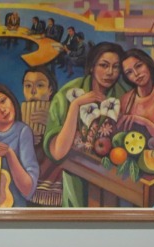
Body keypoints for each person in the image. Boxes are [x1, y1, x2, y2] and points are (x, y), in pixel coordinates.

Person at [44, 42, 125, 206]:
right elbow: (58, 152)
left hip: (110, 180)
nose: (110, 72)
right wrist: (75, 106)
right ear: (92, 67)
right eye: (104, 65)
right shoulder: (68, 93)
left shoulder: (123, 96)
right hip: (74, 175)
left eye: (115, 67)